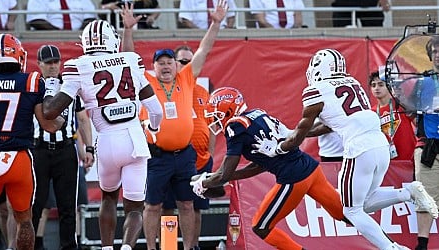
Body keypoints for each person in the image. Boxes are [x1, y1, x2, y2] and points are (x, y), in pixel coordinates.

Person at [250, 48, 438, 250]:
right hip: (379, 144)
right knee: (364, 202)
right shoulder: (352, 83)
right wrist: (290, 133)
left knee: (350, 210)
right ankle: (408, 192)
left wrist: (278, 148)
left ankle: (391, 248)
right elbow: (331, 124)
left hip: (359, 149)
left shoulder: (315, 90)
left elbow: (301, 132)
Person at [41, 19, 163, 250]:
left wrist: (49, 88)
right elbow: (156, 109)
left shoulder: (77, 66)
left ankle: (107, 247)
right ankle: (127, 247)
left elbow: (50, 111)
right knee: (135, 207)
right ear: (112, 39)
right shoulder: (130, 59)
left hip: (105, 141)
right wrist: (153, 129)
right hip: (134, 139)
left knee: (108, 197)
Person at [120, 1, 227, 249]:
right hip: (156, 157)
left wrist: (216, 23)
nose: (166, 65)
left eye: (170, 62)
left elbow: (203, 50)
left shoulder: (186, 78)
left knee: (187, 204)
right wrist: (128, 30)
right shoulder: (146, 80)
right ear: (153, 66)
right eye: (161, 62)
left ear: (176, 65)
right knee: (153, 205)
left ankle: (189, 248)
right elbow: (127, 58)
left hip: (184, 155)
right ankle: (151, 248)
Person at [189, 86, 348, 249]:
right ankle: (375, 233)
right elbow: (259, 166)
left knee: (261, 227)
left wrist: (204, 182)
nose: (216, 120)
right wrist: (216, 177)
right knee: (346, 215)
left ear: (228, 110)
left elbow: (224, 174)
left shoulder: (235, 127)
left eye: (217, 115)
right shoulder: (257, 114)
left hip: (293, 178)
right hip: (311, 169)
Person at [0, 33, 65, 250]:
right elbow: (49, 125)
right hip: (20, 161)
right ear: (19, 57)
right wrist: (62, 118)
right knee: (24, 220)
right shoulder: (31, 81)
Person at [31, 44, 95, 250]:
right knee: (35, 205)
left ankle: (68, 247)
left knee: (68, 205)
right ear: (39, 64)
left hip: (65, 149)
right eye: (48, 63)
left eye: (55, 62)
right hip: (38, 150)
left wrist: (89, 148)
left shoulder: (69, 85)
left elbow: (83, 119)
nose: (52, 66)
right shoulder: (34, 86)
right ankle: (31, 245)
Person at [161, 45, 216, 249]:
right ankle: (168, 246)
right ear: (174, 64)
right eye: (184, 61)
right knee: (167, 206)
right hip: (172, 156)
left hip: (200, 160)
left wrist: (209, 154)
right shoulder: (166, 88)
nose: (188, 66)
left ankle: (192, 246)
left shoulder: (202, 91)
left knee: (195, 207)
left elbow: (212, 125)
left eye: (191, 61)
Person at [412, 36, 439, 250]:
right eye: (435, 52)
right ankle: (422, 245)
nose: (438, 55)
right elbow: (412, 110)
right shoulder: (423, 81)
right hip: (428, 146)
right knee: (424, 196)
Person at [368, 71, 416, 161]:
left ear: (389, 86)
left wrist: (406, 104)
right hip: (388, 163)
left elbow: (417, 123)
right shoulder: (371, 113)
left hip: (410, 159)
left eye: (381, 85)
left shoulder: (401, 103)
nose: (376, 88)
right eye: (373, 85)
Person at [26, 0, 96, 30]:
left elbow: (90, 18)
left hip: (79, 37)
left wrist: (80, 34)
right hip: (49, 37)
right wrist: (60, 33)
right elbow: (36, 21)